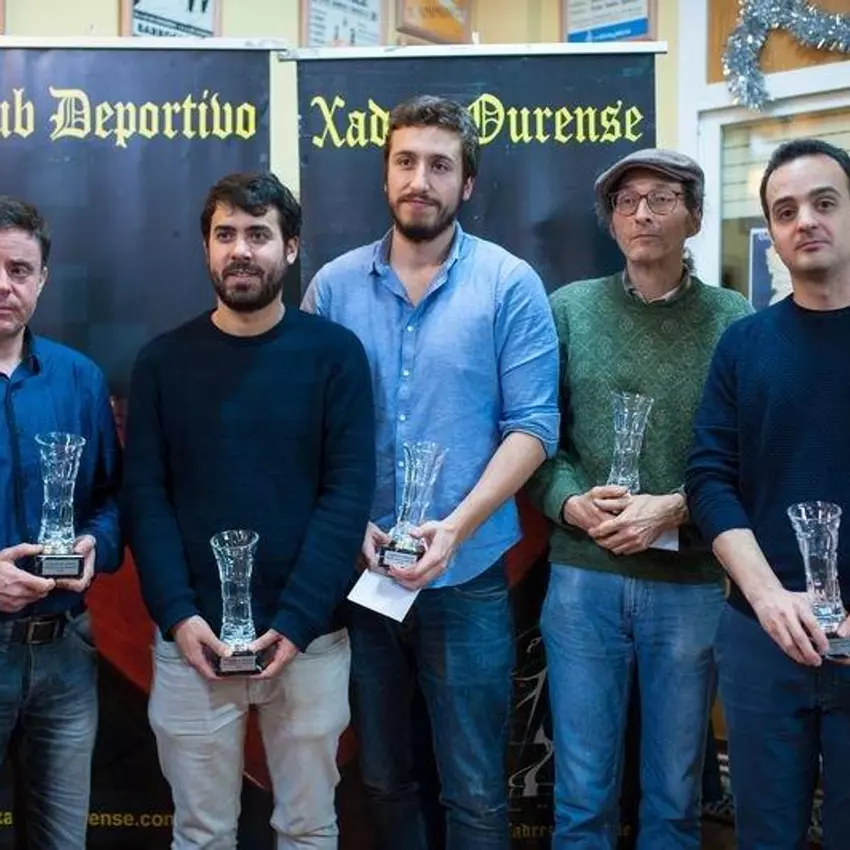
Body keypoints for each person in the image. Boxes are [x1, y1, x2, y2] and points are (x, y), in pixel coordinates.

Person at [302, 94, 559, 850]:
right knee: (383, 776)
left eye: (440, 165)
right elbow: (306, 427)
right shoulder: (333, 288)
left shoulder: (509, 284)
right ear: (385, 175)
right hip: (363, 574)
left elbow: (534, 428)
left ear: (466, 183)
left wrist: (456, 529)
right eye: (406, 162)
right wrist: (353, 526)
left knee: (476, 789)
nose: (421, 180)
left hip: (468, 575)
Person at [121, 172, 375, 849]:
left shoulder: (335, 357)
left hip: (310, 642)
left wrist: (295, 623)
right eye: (225, 234)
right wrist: (179, 618)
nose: (240, 250)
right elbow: (145, 498)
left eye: (258, 234)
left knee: (309, 829)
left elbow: (346, 496)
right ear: (206, 248)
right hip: (193, 647)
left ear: (290, 249)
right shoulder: (161, 363)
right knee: (201, 834)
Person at [526, 149, 752, 849]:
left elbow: (747, 454)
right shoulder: (569, 310)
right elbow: (534, 439)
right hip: (583, 579)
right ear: (612, 221)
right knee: (581, 796)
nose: (642, 214)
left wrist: (676, 507)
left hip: (689, 584)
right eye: (627, 202)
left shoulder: (733, 319)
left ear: (694, 216)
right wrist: (570, 503)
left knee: (675, 797)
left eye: (661, 198)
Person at [686, 137, 850, 848]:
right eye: (785, 211)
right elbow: (709, 478)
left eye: (824, 202)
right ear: (773, 236)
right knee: (765, 834)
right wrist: (767, 597)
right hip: (762, 637)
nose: (805, 220)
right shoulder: (743, 346)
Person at [0, 195, 122, 848]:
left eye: (19, 270)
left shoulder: (80, 380)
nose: (4, 285)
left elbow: (112, 499)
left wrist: (94, 544)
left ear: (43, 279)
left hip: (65, 656)